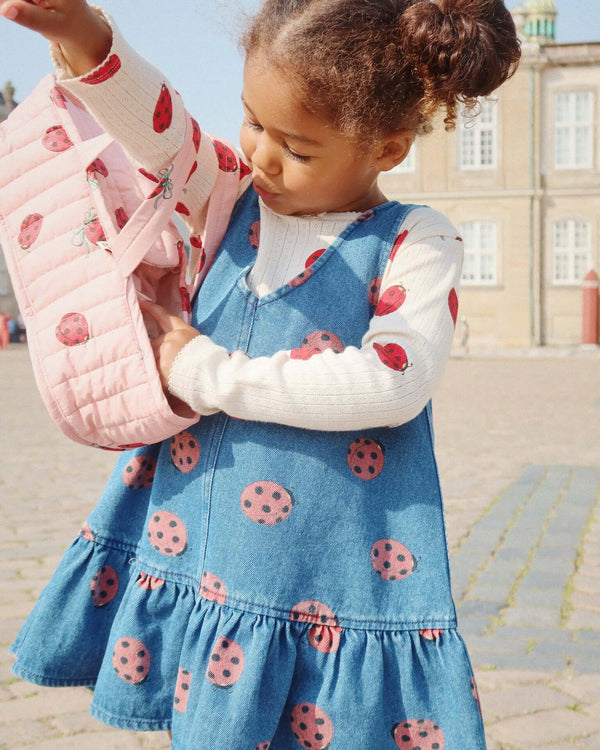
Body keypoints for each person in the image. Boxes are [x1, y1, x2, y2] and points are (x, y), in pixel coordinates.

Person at [0, 0, 520, 747]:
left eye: (299, 148)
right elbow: (160, 127)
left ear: (388, 147)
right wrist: (82, 35)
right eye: (252, 122)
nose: (263, 157)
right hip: (203, 543)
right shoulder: (227, 191)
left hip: (327, 571)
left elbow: (394, 379)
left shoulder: (416, 239)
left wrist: (208, 371)